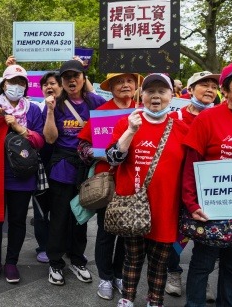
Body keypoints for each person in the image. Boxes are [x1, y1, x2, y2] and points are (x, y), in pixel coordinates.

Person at [106, 73, 189, 307]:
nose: (156, 96)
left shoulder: (181, 128)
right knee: (132, 259)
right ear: (141, 95)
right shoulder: (127, 121)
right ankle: (127, 298)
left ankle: (155, 300)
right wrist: (131, 131)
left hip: (166, 207)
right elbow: (114, 159)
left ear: (171, 96)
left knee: (159, 262)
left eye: (162, 92)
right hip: (132, 205)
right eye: (150, 91)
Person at [182, 61, 232, 307]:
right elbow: (190, 164)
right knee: (202, 264)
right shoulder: (207, 119)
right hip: (210, 209)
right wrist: (191, 202)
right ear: (225, 90)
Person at [77, 72, 142, 300]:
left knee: (127, 230)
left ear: (136, 86)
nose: (125, 85)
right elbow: (82, 147)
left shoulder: (143, 111)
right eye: (119, 82)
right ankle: (105, 277)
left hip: (134, 181)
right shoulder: (102, 112)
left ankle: (119, 274)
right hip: (107, 181)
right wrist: (103, 154)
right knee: (106, 232)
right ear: (111, 87)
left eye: (129, 81)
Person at [43, 59, 105, 286]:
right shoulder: (55, 105)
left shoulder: (96, 102)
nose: (71, 80)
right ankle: (55, 262)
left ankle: (78, 259)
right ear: (61, 81)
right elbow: (50, 138)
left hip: (87, 170)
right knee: (59, 217)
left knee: (81, 217)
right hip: (62, 168)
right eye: (66, 77)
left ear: (83, 78)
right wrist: (49, 112)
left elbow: (108, 127)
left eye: (76, 76)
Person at [0, 64, 44, 283]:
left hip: (22, 176)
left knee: (18, 221)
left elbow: (40, 141)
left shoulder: (34, 110)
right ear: (3, 85)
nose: (16, 87)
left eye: (21, 83)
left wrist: (19, 128)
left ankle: (11, 262)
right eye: (12, 82)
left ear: (26, 86)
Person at [166, 70, 220, 302]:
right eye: (203, 84)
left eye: (212, 85)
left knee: (205, 235)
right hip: (175, 185)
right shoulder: (174, 116)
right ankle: (173, 273)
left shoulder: (221, 116)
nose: (209, 89)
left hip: (208, 188)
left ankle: (202, 278)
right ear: (190, 89)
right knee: (173, 234)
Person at [32, 71, 63, 264]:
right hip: (41, 168)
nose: (49, 87)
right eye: (45, 85)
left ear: (62, 86)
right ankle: (43, 245)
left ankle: (61, 245)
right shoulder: (37, 109)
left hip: (63, 168)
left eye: (53, 83)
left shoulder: (68, 108)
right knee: (41, 211)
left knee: (62, 212)